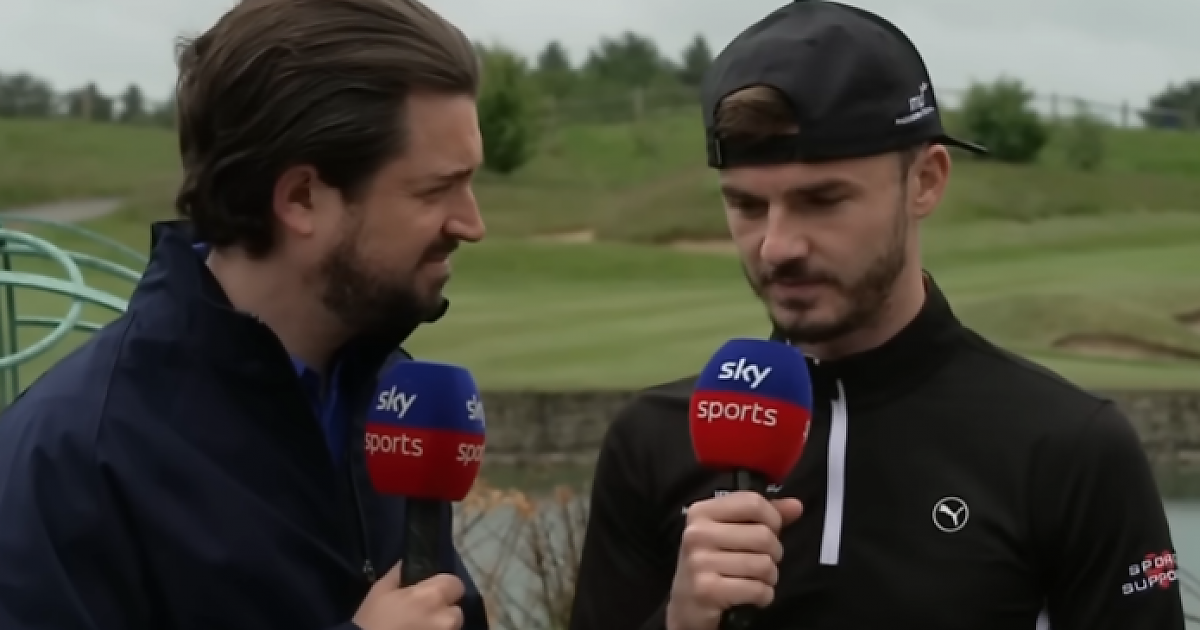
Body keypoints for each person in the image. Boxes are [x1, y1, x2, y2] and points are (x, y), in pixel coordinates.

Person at [569, 2, 1185, 630]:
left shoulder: (1069, 446)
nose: (777, 246)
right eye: (747, 206)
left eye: (822, 199)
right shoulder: (651, 439)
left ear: (925, 182)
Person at [0, 0, 489, 629]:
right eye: (435, 189)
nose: (472, 223)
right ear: (302, 197)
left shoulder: (396, 402)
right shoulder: (73, 460)